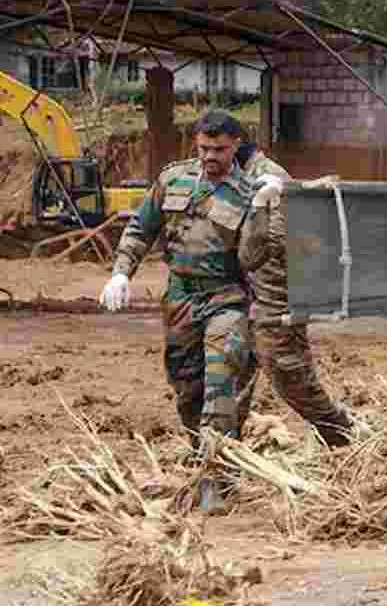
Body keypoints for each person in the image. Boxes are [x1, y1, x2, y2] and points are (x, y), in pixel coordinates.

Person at [98, 109, 257, 513]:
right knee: (188, 389)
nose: (210, 156)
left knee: (220, 380)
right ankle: (206, 454)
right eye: (203, 148)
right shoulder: (173, 179)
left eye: (219, 149)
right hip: (180, 299)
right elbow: (140, 229)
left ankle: (214, 478)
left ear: (236, 145)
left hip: (228, 299)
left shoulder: (252, 194)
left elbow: (271, 259)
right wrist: (120, 274)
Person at [234, 131, 358, 448]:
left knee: (290, 376)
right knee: (231, 379)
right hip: (248, 298)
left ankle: (343, 436)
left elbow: (275, 253)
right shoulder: (243, 177)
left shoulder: (267, 178)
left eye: (217, 150)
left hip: (273, 302)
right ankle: (224, 446)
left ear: (233, 147)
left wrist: (270, 311)